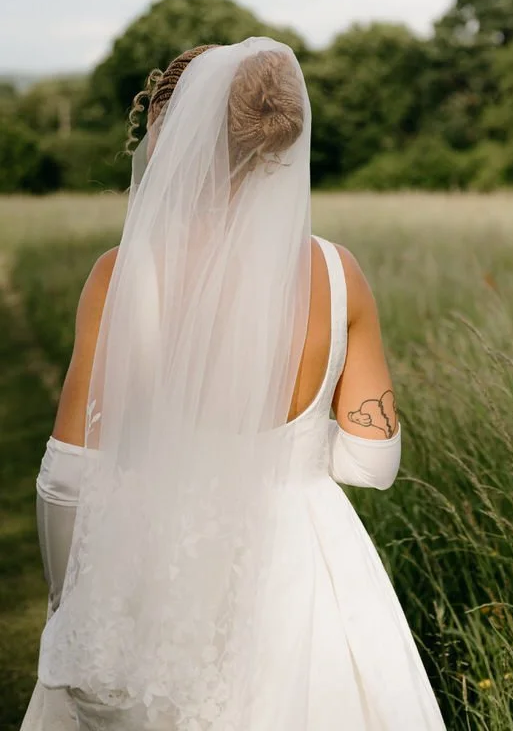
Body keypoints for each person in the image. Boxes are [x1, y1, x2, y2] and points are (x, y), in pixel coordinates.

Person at [22, 37, 446, 730]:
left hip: (157, 563)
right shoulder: (340, 276)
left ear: (172, 134)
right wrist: (302, 450)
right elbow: (374, 464)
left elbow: (68, 475)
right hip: (306, 572)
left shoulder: (124, 275)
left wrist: (71, 598)